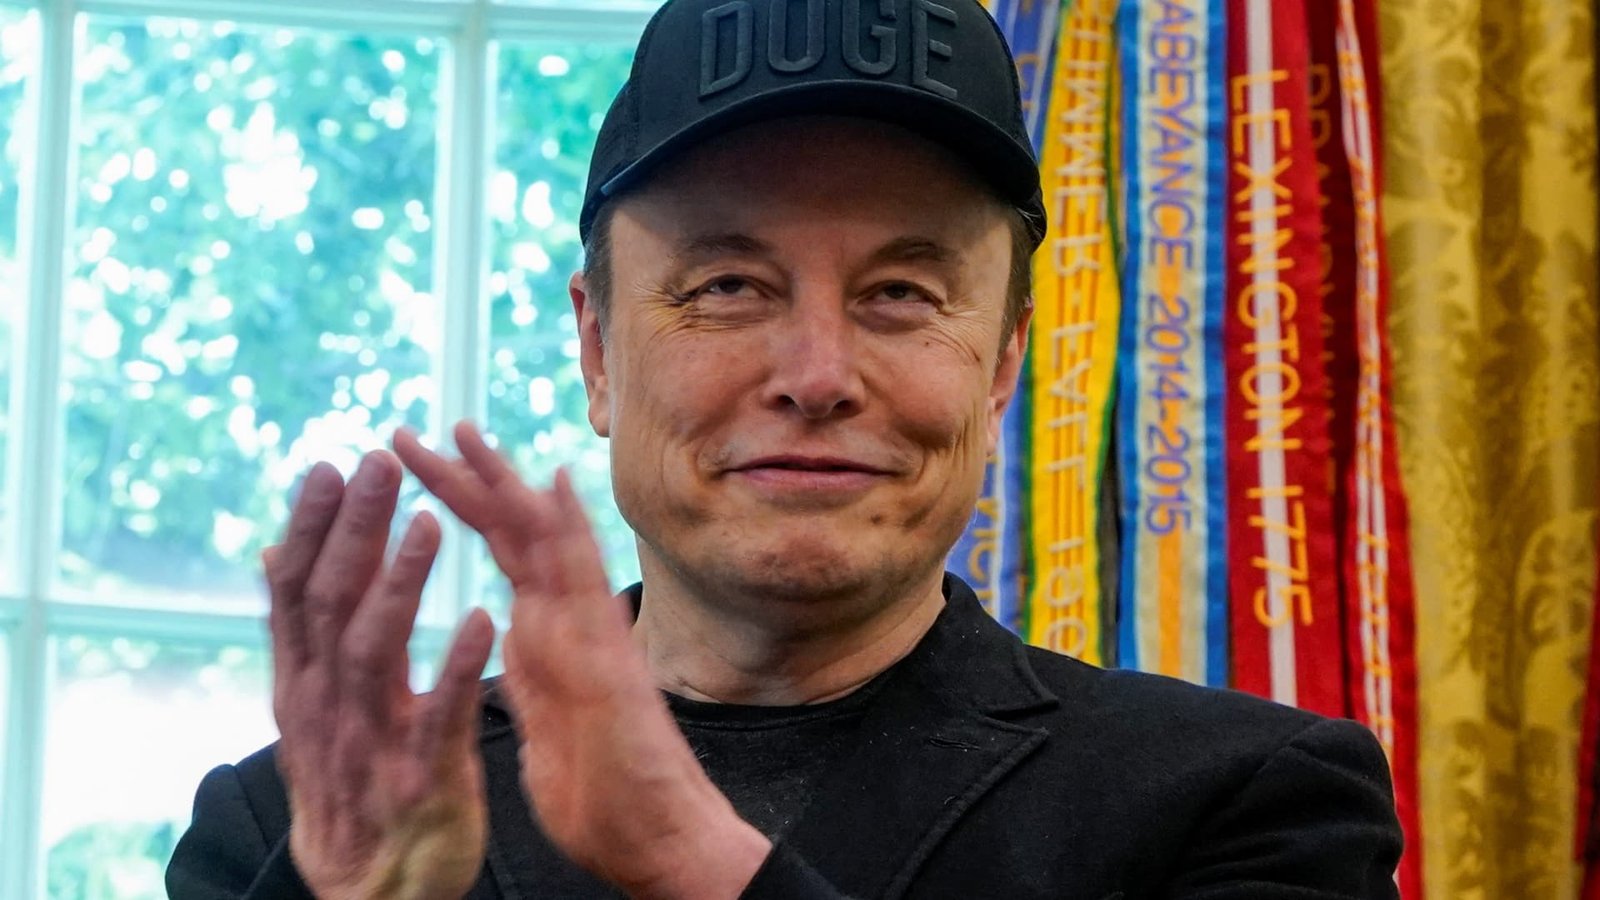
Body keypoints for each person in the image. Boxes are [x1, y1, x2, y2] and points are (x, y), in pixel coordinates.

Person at [166, 0, 1404, 896]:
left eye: (902, 294)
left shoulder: (1247, 807)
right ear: (597, 353)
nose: (816, 375)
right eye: (726, 286)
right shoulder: (293, 830)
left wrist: (692, 861)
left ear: (1002, 362)